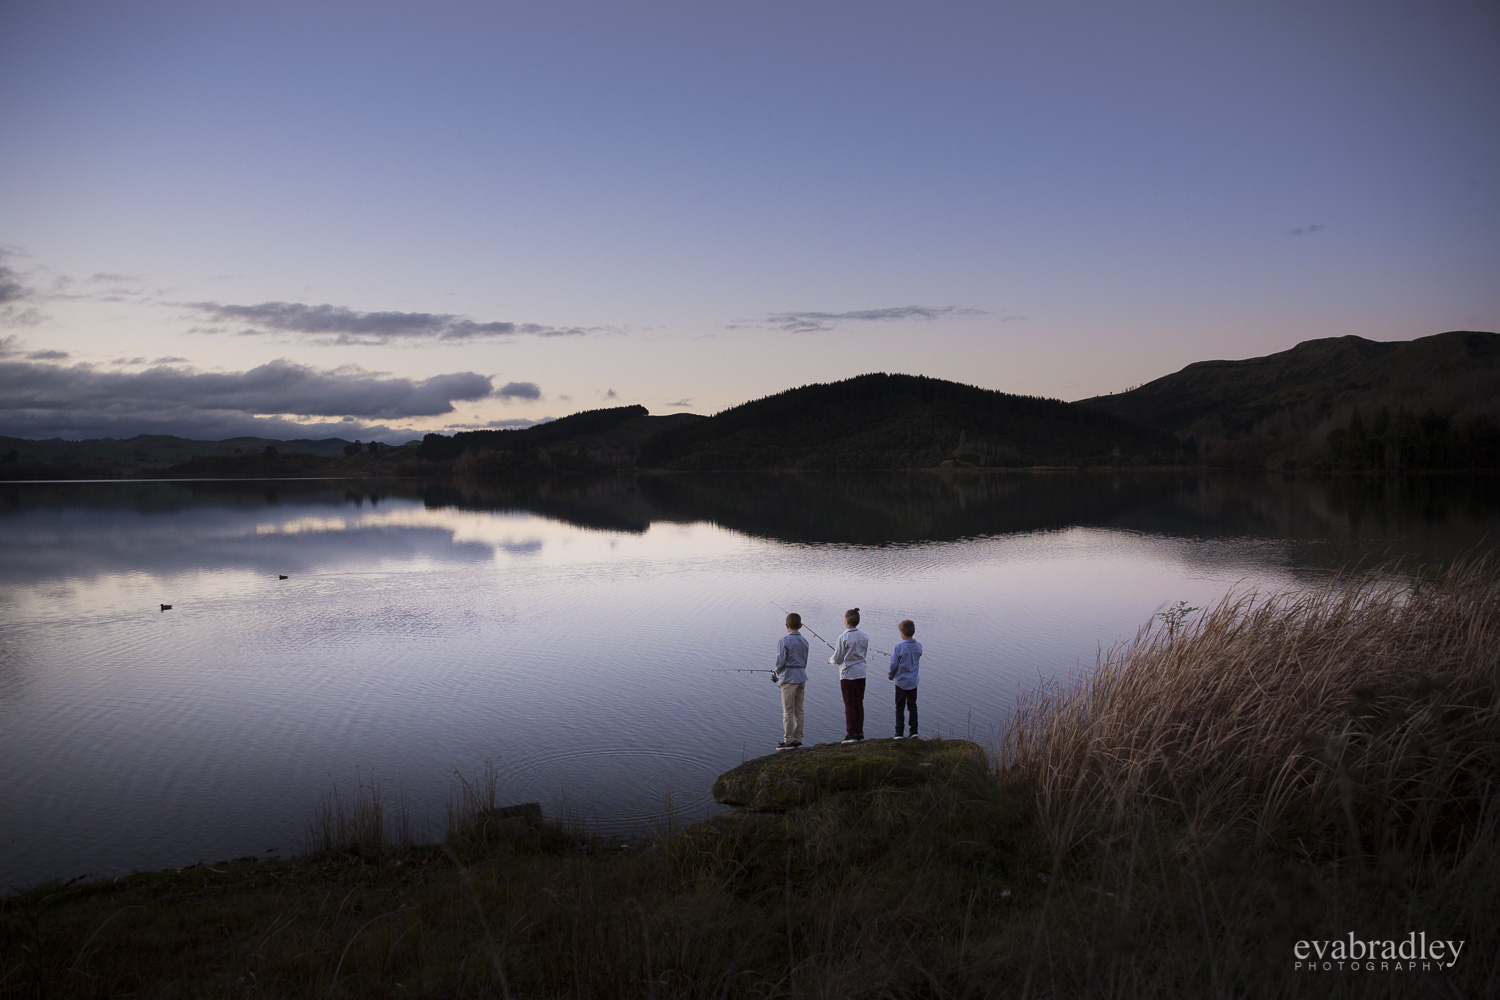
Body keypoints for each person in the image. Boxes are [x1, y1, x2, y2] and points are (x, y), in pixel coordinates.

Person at [829, 607, 869, 743]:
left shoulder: (843, 637)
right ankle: (860, 732)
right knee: (859, 703)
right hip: (861, 674)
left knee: (849, 704)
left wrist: (830, 660)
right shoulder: (864, 636)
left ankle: (851, 733)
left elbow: (838, 657)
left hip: (847, 675)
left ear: (846, 621)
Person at [773, 612, 810, 749]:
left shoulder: (784, 641)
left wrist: (776, 670)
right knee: (799, 710)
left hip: (789, 678)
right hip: (801, 676)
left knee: (787, 711)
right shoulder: (805, 641)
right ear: (800, 625)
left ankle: (788, 740)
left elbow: (780, 662)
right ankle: (798, 738)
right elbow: (805, 661)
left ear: (786, 625)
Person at [888, 619, 922, 739]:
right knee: (912, 706)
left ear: (902, 633)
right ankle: (914, 731)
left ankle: (899, 733)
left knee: (899, 707)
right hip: (913, 681)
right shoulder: (918, 646)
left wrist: (890, 674)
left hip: (901, 682)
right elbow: (919, 654)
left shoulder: (899, 647)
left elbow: (894, 664)